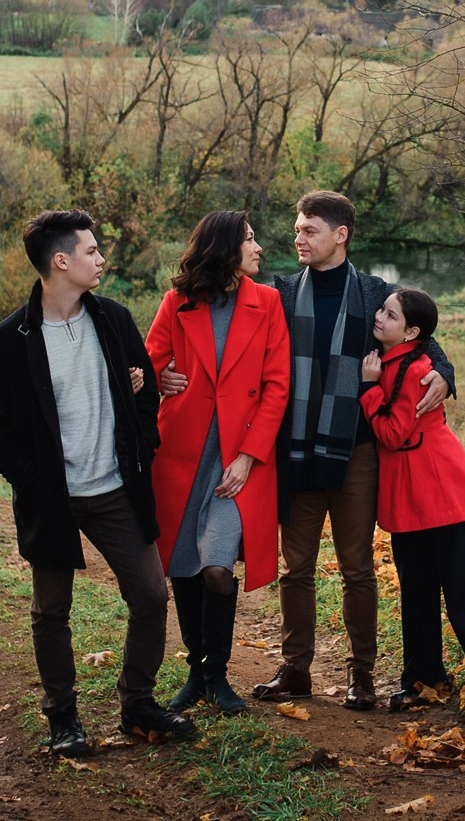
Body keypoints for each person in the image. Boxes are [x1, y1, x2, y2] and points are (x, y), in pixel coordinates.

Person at [166, 190, 452, 711]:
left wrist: (445, 373)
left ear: (340, 235)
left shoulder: (373, 293)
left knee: (356, 567)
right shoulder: (277, 292)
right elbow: (221, 324)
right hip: (292, 450)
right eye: (296, 229)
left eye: (308, 230)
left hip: (356, 451)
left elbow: (423, 335)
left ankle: (360, 675)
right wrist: (162, 373)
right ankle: (296, 669)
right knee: (295, 567)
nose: (297, 238)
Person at [0, 209, 197, 757]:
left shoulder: (114, 320)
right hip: (52, 498)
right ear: (61, 261)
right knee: (51, 611)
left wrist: (141, 448)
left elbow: (143, 391)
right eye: (92, 251)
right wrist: (32, 477)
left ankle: (137, 703)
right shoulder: (7, 342)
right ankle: (62, 718)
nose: (101, 259)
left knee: (148, 594)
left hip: (115, 488)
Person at [144, 210, 291, 717]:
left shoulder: (268, 302)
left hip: (238, 458)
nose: (258, 248)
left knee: (215, 567)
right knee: (184, 566)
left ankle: (217, 673)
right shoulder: (176, 303)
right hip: (182, 452)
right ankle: (196, 676)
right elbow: (146, 361)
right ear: (226, 249)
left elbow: (277, 385)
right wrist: (161, 376)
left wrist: (250, 456)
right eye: (250, 240)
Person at [359, 287, 465, 710]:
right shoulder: (394, 358)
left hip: (437, 484)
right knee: (417, 590)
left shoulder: (414, 369)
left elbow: (394, 434)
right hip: (410, 489)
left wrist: (368, 390)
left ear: (411, 331)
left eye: (390, 315)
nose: (379, 317)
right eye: (381, 310)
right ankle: (422, 680)